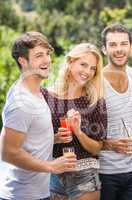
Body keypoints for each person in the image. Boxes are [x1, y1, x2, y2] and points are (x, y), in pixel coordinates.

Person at [0, 31, 76, 200]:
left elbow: (28, 138)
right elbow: (8, 152)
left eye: (47, 54)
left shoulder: (35, 92)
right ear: (23, 61)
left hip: (39, 193)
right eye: (38, 56)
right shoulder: (21, 102)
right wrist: (51, 166)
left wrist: (54, 138)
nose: (47, 60)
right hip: (21, 196)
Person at [41, 43, 107, 200]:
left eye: (92, 68)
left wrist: (78, 132)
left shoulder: (95, 102)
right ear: (70, 62)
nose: (87, 72)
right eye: (83, 64)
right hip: (53, 172)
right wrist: (56, 138)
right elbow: (35, 138)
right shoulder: (45, 95)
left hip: (84, 173)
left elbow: (98, 148)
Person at [98, 23, 132, 200]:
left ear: (131, 48)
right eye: (113, 45)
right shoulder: (97, 83)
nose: (119, 49)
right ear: (104, 49)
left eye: (123, 44)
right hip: (104, 173)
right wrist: (109, 144)